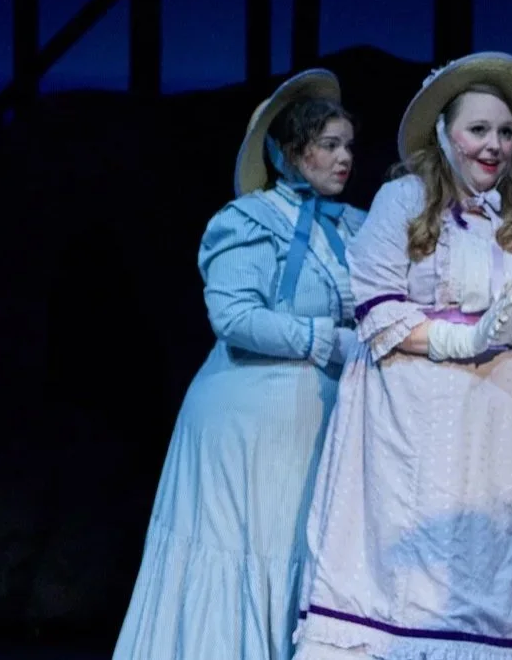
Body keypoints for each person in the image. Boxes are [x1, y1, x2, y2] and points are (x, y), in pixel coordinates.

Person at [294, 53, 512, 660]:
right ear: (445, 133)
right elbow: (377, 305)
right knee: (417, 575)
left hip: (509, 421)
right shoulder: (404, 199)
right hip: (417, 418)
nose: (494, 145)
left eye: (504, 132)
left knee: (504, 563)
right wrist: (464, 340)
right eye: (478, 129)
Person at [114, 70, 365, 660]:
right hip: (247, 415)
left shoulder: (354, 225)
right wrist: (326, 339)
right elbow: (235, 317)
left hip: (321, 415)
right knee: (248, 545)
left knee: (301, 543)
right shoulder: (249, 219)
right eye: (329, 145)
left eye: (348, 146)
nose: (344, 158)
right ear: (291, 152)